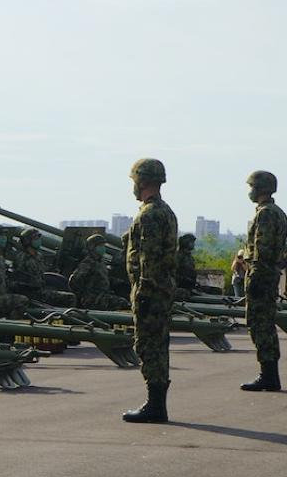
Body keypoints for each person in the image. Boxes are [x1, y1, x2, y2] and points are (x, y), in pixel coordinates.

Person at [122, 158, 177, 424]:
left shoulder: (150, 214)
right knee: (158, 345)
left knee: (149, 346)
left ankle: (155, 406)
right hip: (160, 290)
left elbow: (149, 259)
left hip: (150, 292)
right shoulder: (165, 211)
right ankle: (156, 404)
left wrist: (143, 292)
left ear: (142, 181)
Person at [240, 171, 287, 392]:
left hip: (262, 275)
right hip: (269, 274)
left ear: (260, 188)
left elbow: (262, 249)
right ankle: (269, 374)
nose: (249, 191)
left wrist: (256, 277)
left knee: (260, 324)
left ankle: (268, 375)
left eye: (252, 186)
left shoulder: (266, 214)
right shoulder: (276, 212)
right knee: (265, 323)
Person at [11, 228, 77, 307]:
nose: (38, 240)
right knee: (70, 298)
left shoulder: (39, 256)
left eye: (39, 238)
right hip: (30, 292)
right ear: (27, 241)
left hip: (41, 289)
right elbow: (19, 279)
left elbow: (44, 274)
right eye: (35, 238)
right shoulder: (22, 258)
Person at [67, 234, 129, 310]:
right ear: (92, 247)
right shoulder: (87, 263)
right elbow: (74, 281)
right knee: (122, 303)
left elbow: (103, 277)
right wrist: (83, 295)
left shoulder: (100, 262)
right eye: (100, 245)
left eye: (103, 245)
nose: (103, 248)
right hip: (92, 299)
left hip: (103, 295)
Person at [175, 234, 198, 300]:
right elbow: (174, 273)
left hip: (190, 286)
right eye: (192, 242)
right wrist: (185, 279)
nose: (193, 244)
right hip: (181, 286)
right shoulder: (178, 256)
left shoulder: (190, 258)